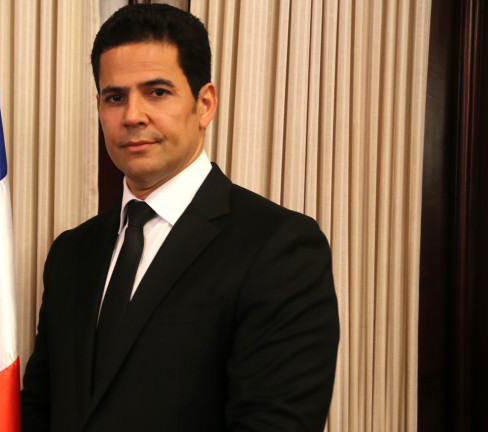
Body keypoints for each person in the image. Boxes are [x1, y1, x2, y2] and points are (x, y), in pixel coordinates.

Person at [20, 4, 339, 431]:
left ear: (204, 104)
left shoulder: (279, 247)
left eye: (157, 92)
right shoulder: (71, 252)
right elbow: (40, 408)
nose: (132, 115)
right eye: (115, 97)